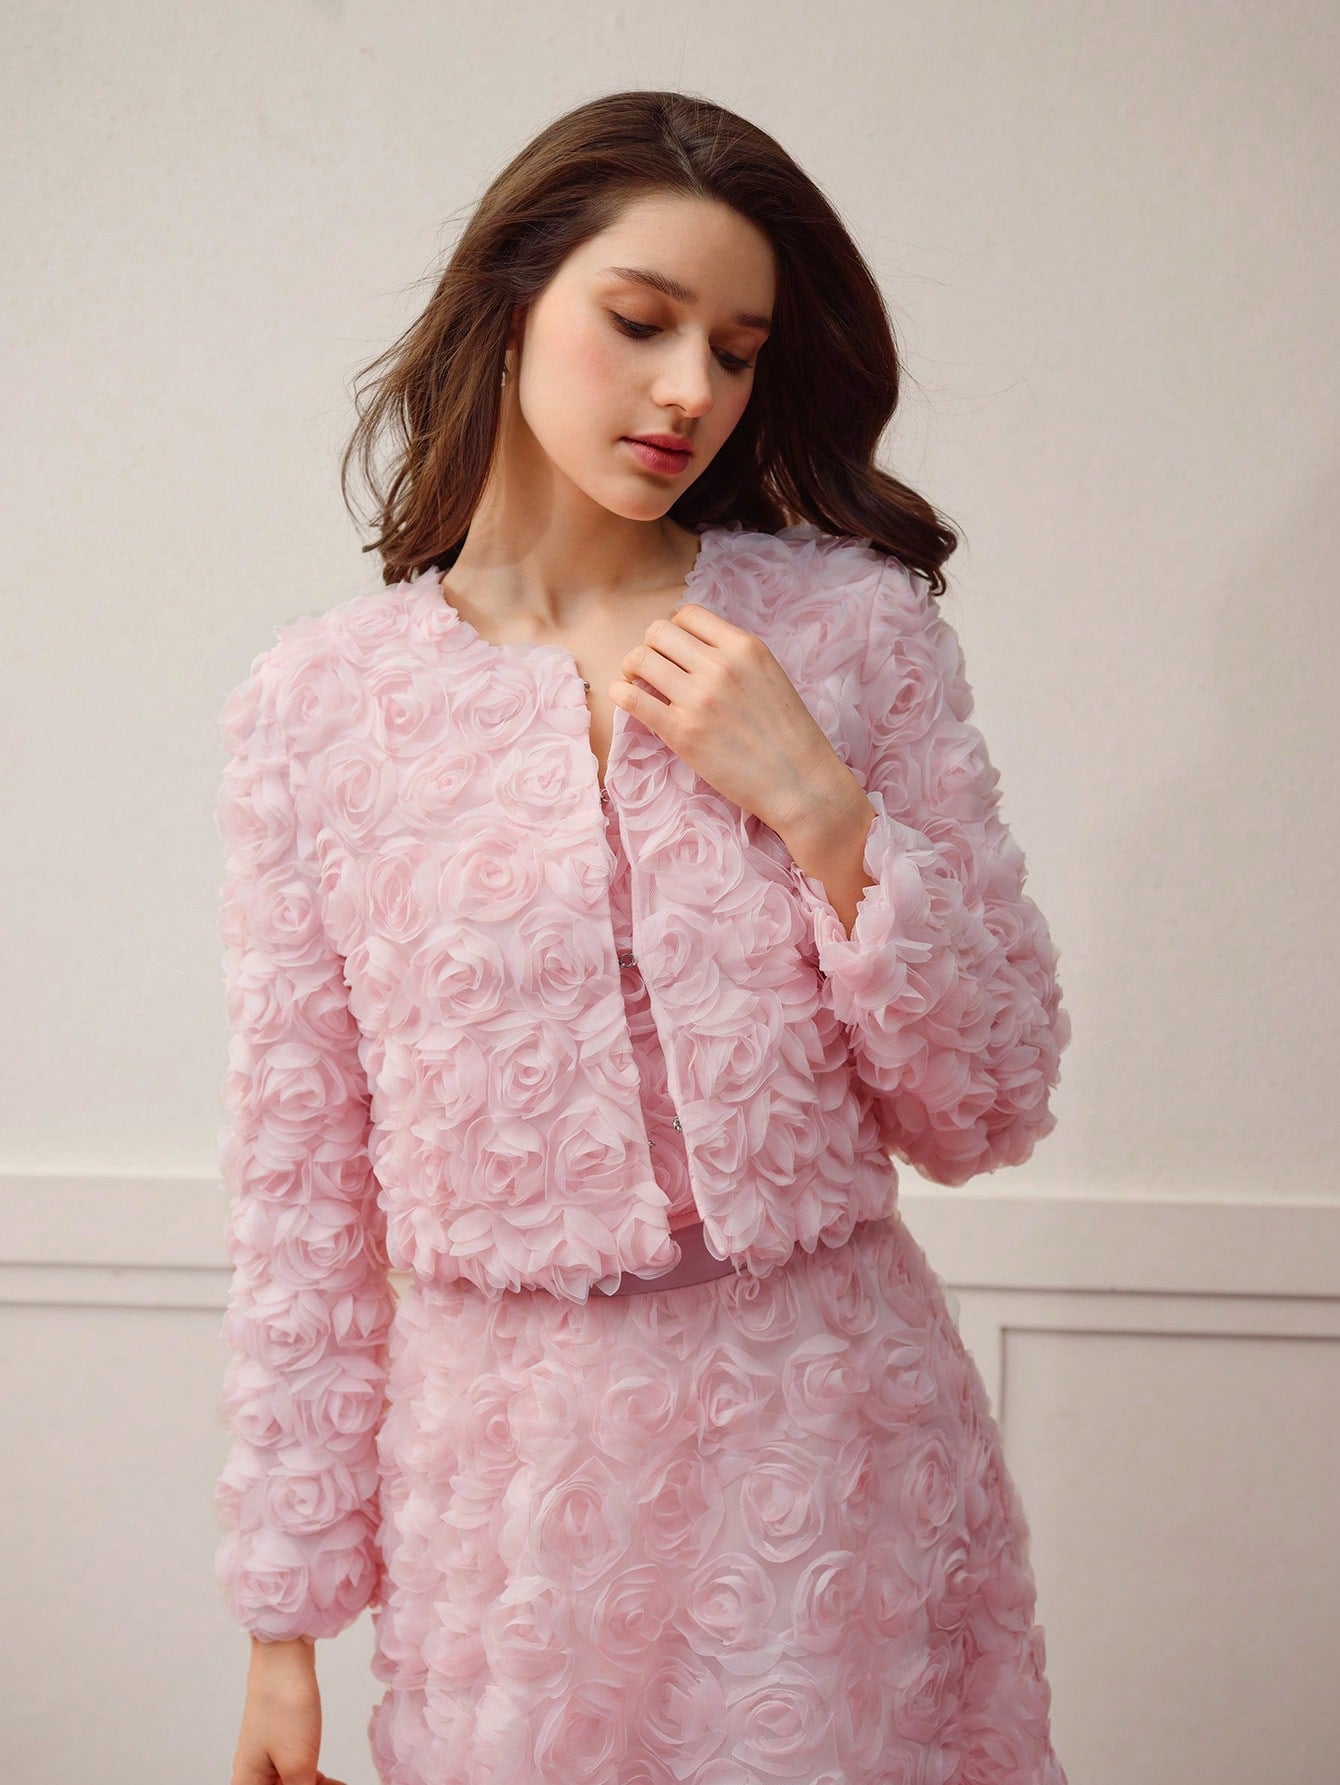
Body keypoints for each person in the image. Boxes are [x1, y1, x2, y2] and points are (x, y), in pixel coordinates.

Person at [214, 88, 1072, 1785]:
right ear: (510, 301)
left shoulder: (846, 632)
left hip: (833, 1448)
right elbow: (302, 1195)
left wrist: (820, 806)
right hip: (512, 1495)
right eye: (640, 321)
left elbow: (990, 1102)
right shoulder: (320, 708)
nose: (692, 390)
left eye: (736, 353)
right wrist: (282, 1631)